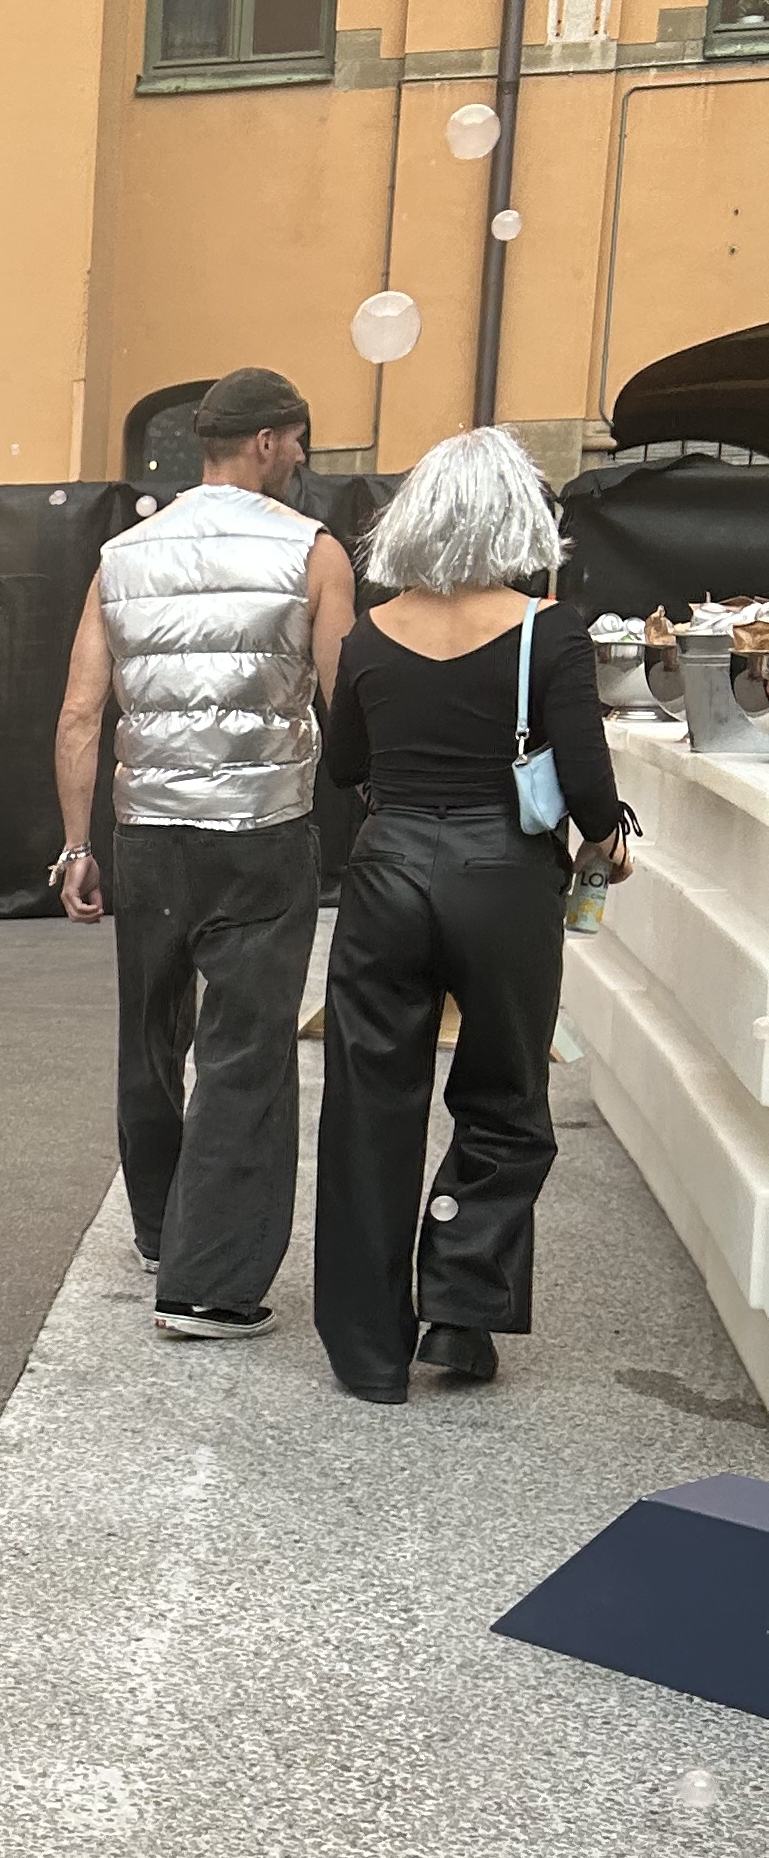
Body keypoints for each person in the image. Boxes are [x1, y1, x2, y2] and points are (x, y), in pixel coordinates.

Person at [312, 427, 628, 1402]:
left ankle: (368, 1354)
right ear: (514, 519)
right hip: (504, 881)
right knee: (505, 1099)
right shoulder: (549, 630)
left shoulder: (370, 633)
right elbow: (586, 786)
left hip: (387, 875)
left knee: (368, 1110)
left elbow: (348, 770)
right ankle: (459, 1302)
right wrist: (606, 843)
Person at [52, 367, 358, 1337]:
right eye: (299, 439)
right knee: (245, 1048)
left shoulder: (122, 556)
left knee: (151, 1032)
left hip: (147, 832)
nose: (304, 458)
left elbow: (79, 715)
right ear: (265, 443)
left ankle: (156, 1228)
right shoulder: (315, 552)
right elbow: (346, 706)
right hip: (264, 831)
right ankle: (210, 1284)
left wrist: (73, 848)